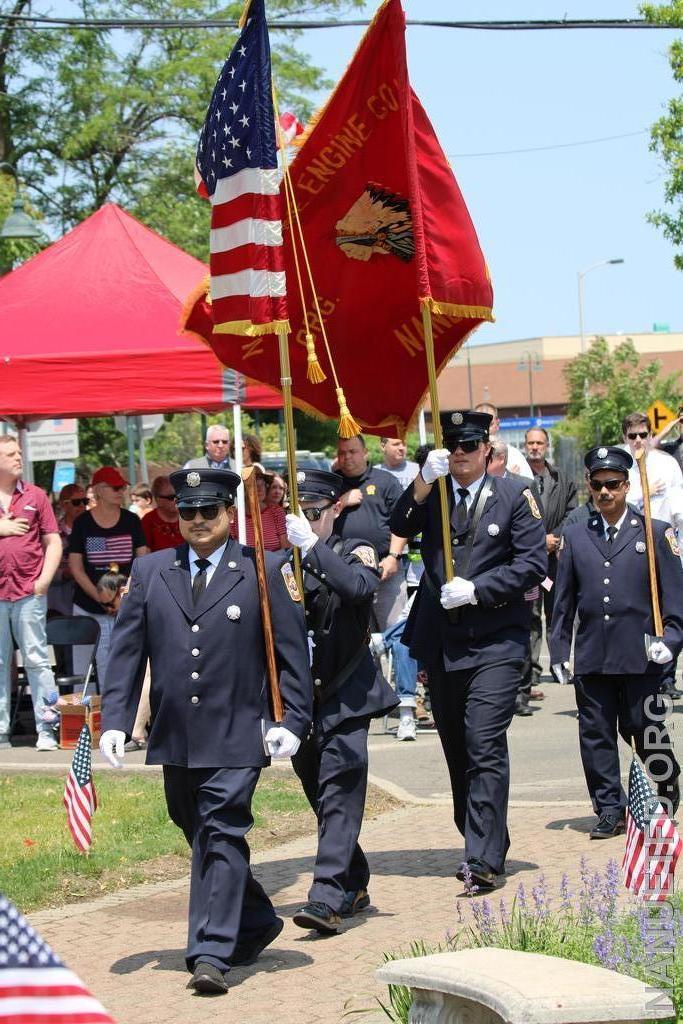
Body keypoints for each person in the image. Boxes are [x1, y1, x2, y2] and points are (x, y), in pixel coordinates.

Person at [99, 468, 312, 995]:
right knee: (194, 824)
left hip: (239, 729)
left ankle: (211, 950)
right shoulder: (152, 571)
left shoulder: (262, 568)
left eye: (208, 511)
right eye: (187, 511)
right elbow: (127, 651)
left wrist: (293, 721)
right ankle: (257, 918)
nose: (197, 521)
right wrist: (117, 720)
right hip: (178, 733)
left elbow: (290, 655)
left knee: (220, 829)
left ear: (228, 513)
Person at [390, 410, 547, 890]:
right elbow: (396, 522)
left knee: (483, 742)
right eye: (452, 445)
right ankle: (480, 832)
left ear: (487, 450)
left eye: (469, 445)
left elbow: (532, 562)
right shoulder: (432, 493)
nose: (460, 453)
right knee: (457, 749)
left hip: (496, 637)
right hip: (441, 639)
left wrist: (479, 588)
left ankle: (483, 858)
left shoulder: (516, 495)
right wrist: (422, 479)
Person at [284, 469, 398, 933]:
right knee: (319, 791)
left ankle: (326, 896)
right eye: (300, 515)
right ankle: (352, 879)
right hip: (300, 699)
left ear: (333, 510)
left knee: (340, 791)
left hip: (347, 693)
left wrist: (311, 550)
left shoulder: (355, 550)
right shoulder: (281, 562)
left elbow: (357, 588)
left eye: (314, 514)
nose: (307, 523)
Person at [549, 445, 683, 838]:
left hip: (641, 654)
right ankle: (610, 808)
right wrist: (559, 651)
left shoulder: (654, 533)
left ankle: (666, 789)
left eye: (612, 485)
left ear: (626, 486)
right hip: (593, 655)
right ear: (589, 487)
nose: (605, 492)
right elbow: (563, 602)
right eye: (597, 485)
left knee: (646, 727)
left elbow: (675, 599)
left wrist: (671, 640)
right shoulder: (575, 536)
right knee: (596, 735)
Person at [0, 433, 62, 750]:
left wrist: (45, 580)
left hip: (28, 591)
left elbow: (53, 540)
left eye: (19, 452)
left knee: (37, 662)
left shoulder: (35, 496)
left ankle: (47, 728)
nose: (18, 458)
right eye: (11, 454)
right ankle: (1, 730)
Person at [621, 411, 683, 698]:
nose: (637, 440)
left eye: (643, 435)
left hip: (663, 545)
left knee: (669, 610)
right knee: (638, 609)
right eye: (632, 435)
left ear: (650, 435)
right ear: (625, 436)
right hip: (627, 548)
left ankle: (667, 673)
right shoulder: (619, 463)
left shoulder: (667, 463)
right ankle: (639, 668)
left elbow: (678, 507)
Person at [68, 467, 148, 684]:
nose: (120, 491)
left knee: (124, 668)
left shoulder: (131, 520)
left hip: (125, 606)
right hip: (87, 607)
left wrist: (122, 597)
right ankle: (86, 715)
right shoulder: (82, 523)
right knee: (83, 672)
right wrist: (100, 597)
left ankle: (124, 715)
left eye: (122, 486)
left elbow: (142, 561)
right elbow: (76, 566)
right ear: (98, 491)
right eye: (114, 487)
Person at [487, 438, 546, 715]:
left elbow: (534, 528)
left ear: (499, 459)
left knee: (523, 629)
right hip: (492, 577)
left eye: (490, 458)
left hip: (520, 574)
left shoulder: (523, 485)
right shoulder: (477, 486)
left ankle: (521, 693)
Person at [522, 427, 578, 700]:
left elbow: (572, 511)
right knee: (530, 614)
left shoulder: (562, 479)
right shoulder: (517, 478)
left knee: (558, 611)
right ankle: (531, 669)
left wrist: (556, 538)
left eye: (539, 443)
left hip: (556, 558)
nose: (535, 447)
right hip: (529, 559)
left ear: (547, 446)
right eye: (530, 443)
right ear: (525, 446)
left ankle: (559, 663)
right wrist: (537, 540)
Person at [335, 435, 408, 631]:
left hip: (385, 568)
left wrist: (394, 557)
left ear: (365, 452)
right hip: (345, 572)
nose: (347, 457)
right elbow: (316, 521)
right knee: (355, 637)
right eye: (342, 453)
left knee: (394, 633)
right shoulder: (331, 486)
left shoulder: (386, 481)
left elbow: (401, 523)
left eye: (352, 451)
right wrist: (341, 502)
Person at [48, 483, 88, 616]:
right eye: (77, 502)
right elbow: (43, 570)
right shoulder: (52, 534)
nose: (82, 505)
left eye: (85, 501)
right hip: (62, 604)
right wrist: (65, 574)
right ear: (64, 505)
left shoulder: (95, 529)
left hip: (90, 600)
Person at [230, 467, 288, 551]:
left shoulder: (276, 512)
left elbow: (286, 547)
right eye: (255, 485)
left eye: (263, 485)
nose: (260, 489)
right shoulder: (235, 517)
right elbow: (233, 548)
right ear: (244, 490)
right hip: (246, 562)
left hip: (275, 561)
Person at [474, 402, 532, 479]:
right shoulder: (462, 454)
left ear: (497, 424)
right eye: (480, 425)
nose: (486, 430)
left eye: (490, 424)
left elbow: (529, 485)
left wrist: (512, 480)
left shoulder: (514, 456)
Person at [141, 476, 183, 551]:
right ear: (157, 499)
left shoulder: (188, 516)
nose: (176, 500)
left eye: (179, 496)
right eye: (171, 497)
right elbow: (145, 554)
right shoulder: (148, 521)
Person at [651, 405, 683, 472]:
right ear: (677, 424)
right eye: (682, 420)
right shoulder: (669, 448)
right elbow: (648, 448)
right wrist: (664, 432)